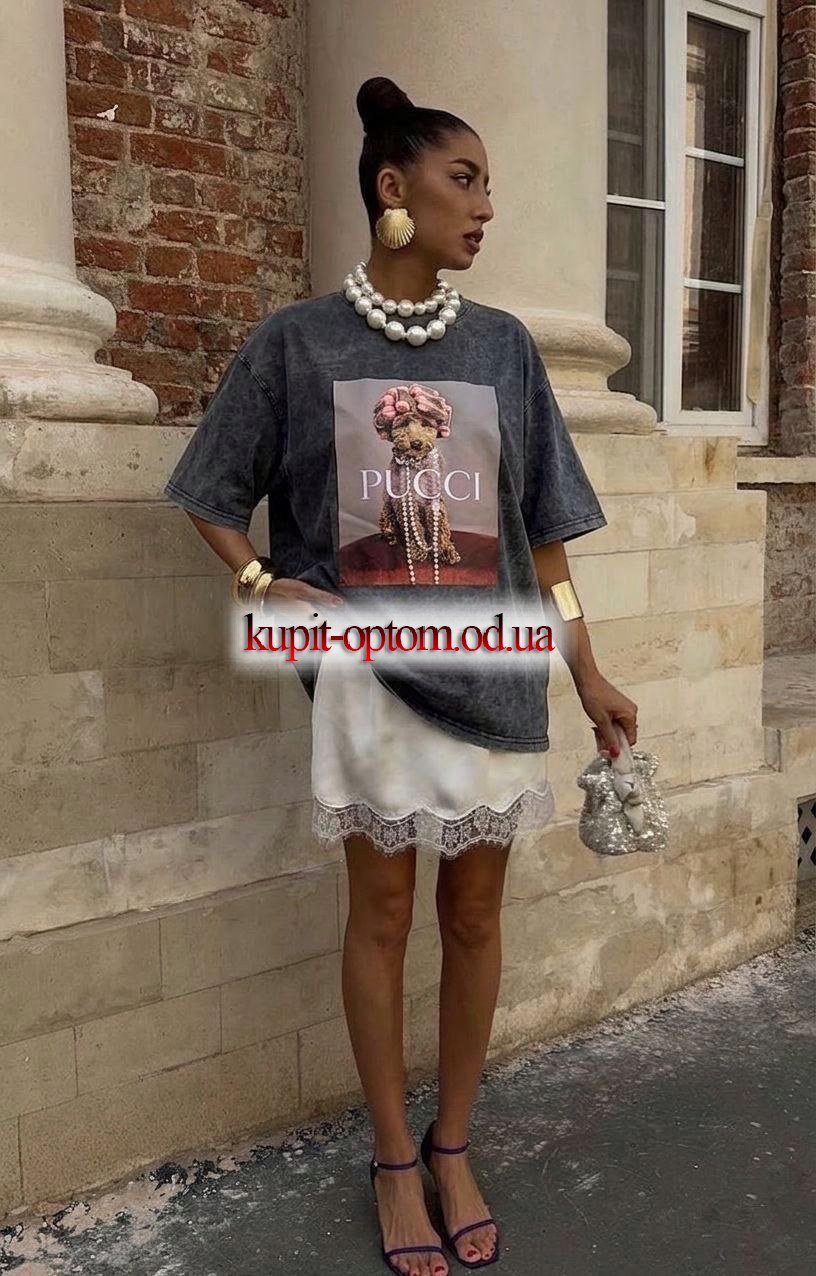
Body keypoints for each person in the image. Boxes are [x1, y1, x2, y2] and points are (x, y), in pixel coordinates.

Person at [164, 76, 638, 1276]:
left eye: (487, 185)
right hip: (369, 683)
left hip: (495, 674)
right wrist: (264, 582)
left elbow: (543, 540)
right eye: (461, 180)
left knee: (473, 916)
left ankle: (453, 1144)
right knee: (379, 916)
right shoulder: (297, 342)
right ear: (393, 187)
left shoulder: (504, 348)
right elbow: (211, 490)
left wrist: (589, 670)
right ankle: (390, 1158)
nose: (485, 207)